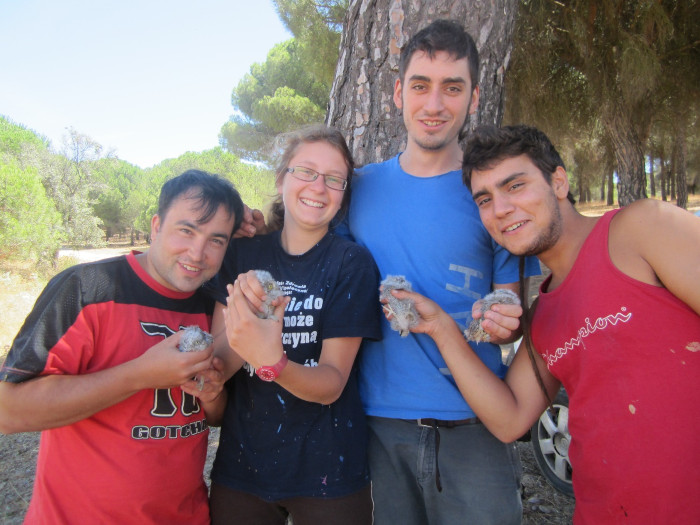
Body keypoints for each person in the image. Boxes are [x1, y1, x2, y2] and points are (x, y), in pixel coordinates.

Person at [389, 124, 700, 524]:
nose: (499, 209)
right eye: (485, 199)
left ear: (558, 181)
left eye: (515, 186)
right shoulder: (544, 317)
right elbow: (510, 420)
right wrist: (441, 328)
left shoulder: (640, 230)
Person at [334, 19, 540, 525]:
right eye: (421, 86)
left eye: (453, 88)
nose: (434, 105)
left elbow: (511, 303)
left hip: (477, 427)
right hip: (377, 427)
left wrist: (505, 317)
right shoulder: (355, 190)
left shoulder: (493, 195)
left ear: (473, 98)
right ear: (399, 92)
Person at [0, 169, 245, 524]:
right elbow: (9, 411)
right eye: (186, 230)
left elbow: (215, 416)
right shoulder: (87, 289)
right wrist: (137, 376)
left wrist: (211, 393)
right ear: (157, 225)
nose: (198, 252)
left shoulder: (214, 308)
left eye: (216, 240)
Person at [205, 125, 382, 525]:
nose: (318, 187)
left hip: (329, 472)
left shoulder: (351, 263)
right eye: (305, 171)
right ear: (282, 177)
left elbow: (332, 382)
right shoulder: (240, 254)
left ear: (343, 194)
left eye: (334, 179)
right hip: (243, 469)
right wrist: (246, 319)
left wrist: (272, 360)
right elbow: (217, 367)